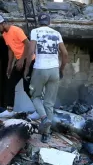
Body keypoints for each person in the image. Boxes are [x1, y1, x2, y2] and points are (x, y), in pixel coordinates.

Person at [25, 14, 68, 142]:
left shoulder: (35, 31)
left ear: (39, 22)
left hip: (40, 69)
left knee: (35, 96)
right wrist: (61, 69)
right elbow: (65, 54)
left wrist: (27, 68)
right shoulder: (57, 33)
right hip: (54, 70)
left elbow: (31, 51)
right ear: (49, 22)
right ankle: (46, 135)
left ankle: (43, 118)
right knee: (49, 103)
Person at [0, 14, 32, 110]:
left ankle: (40, 110)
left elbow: (28, 44)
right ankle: (10, 110)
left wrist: (21, 60)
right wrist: (9, 66)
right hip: (19, 61)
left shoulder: (16, 30)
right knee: (10, 84)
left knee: (27, 88)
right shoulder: (4, 34)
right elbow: (10, 50)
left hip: (29, 61)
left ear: (3, 23)